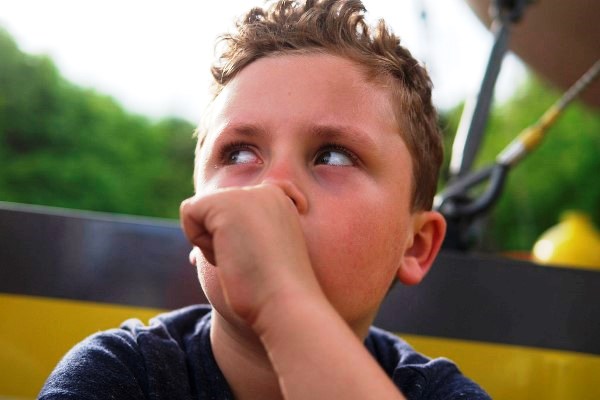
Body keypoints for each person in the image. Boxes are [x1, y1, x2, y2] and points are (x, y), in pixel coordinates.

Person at [39, 0, 490, 399]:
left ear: (414, 245)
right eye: (239, 153)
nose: (272, 187)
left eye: (332, 155)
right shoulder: (121, 373)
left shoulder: (438, 392)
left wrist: (284, 303)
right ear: (199, 220)